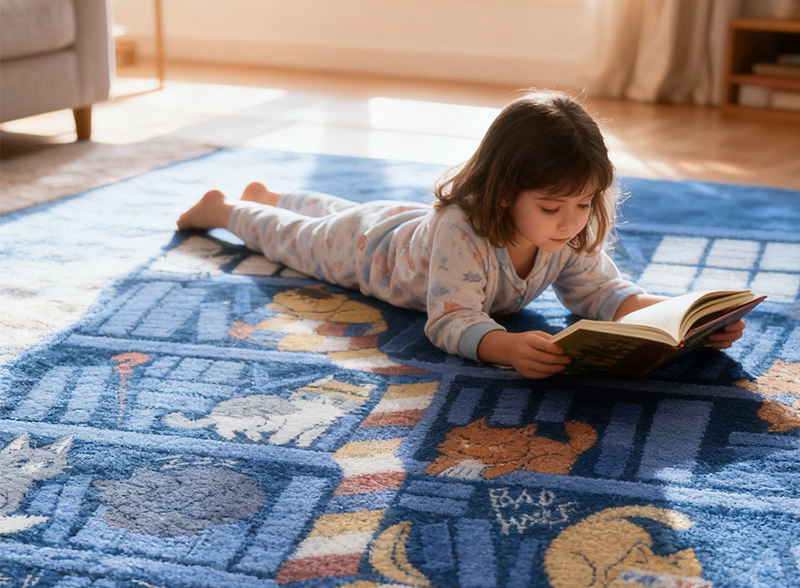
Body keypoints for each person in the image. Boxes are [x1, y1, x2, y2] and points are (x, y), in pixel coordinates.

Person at [177, 91, 744, 379]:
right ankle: (228, 208)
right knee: (298, 238)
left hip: (395, 221)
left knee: (344, 209)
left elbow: (604, 292)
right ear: (503, 193)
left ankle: (273, 193)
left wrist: (681, 319)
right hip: (371, 254)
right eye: (552, 206)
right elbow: (449, 320)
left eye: (583, 202)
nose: (572, 221)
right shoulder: (462, 228)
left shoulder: (564, 229)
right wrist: (506, 347)